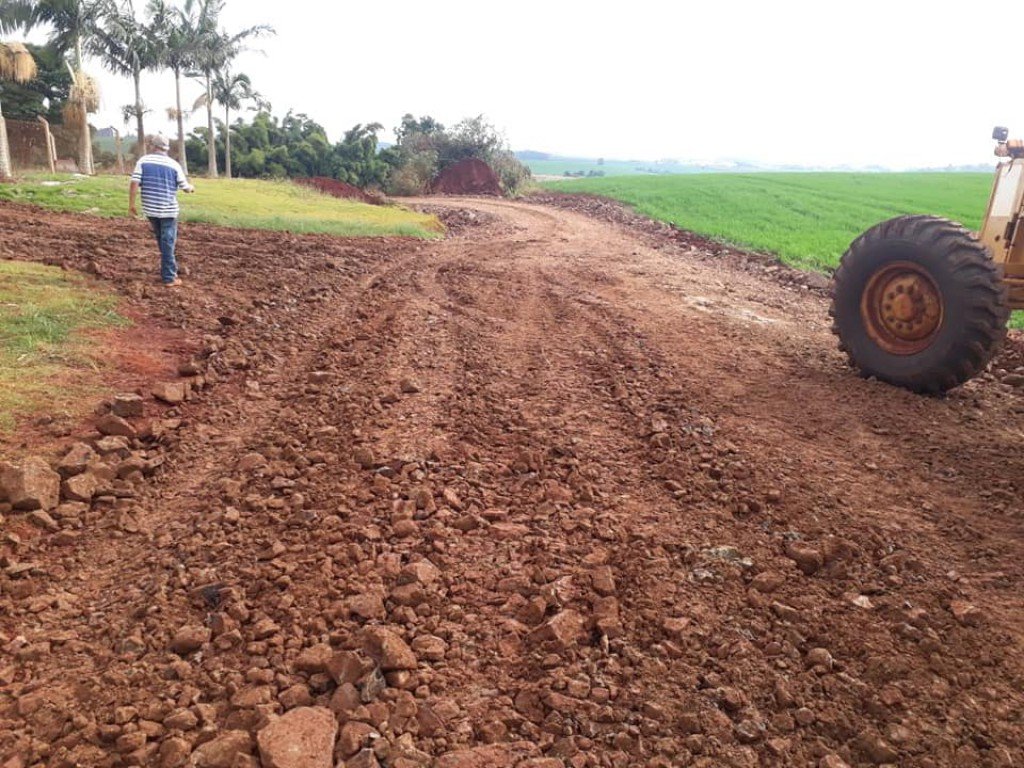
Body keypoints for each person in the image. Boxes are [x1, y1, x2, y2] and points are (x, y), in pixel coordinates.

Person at [129, 134, 194, 287]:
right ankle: (169, 277)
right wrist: (192, 188)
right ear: (166, 148)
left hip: (150, 210)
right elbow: (185, 188)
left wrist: (131, 204)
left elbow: (134, 184)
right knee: (168, 242)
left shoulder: (143, 161)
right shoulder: (174, 165)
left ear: (153, 146)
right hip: (169, 211)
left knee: (163, 240)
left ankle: (169, 266)